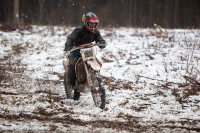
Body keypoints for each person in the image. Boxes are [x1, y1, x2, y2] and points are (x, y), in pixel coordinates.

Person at [64, 12, 106, 93]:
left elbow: (100, 40)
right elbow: (71, 38)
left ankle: (94, 79)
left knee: (97, 62)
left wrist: (102, 43)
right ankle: (70, 83)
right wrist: (68, 45)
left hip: (88, 52)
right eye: (91, 23)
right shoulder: (78, 30)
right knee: (72, 65)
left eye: (95, 23)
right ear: (86, 22)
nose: (93, 25)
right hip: (76, 52)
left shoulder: (95, 32)